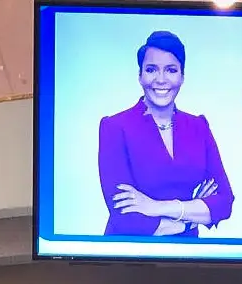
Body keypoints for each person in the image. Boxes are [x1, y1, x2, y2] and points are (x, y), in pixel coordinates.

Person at [97, 30, 234, 238]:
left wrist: (155, 207)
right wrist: (189, 220)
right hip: (127, 260)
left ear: (182, 76)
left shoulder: (198, 127)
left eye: (171, 70)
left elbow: (224, 203)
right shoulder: (115, 127)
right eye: (151, 69)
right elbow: (127, 219)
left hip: (188, 258)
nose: (161, 80)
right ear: (140, 76)